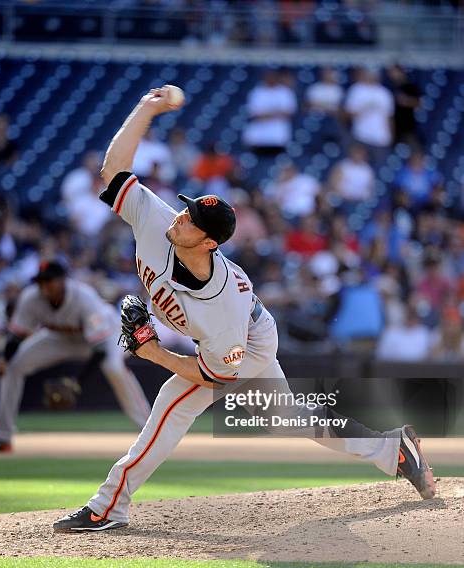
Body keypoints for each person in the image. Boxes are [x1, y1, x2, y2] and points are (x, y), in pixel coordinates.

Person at [53, 85, 436, 533]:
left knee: (173, 403)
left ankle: (108, 505)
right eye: (186, 210)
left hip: (245, 341)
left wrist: (153, 352)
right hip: (231, 337)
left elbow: (216, 375)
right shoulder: (159, 220)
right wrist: (146, 108)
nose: (180, 218)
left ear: (210, 242)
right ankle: (395, 451)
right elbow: (113, 170)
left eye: (192, 221)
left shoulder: (221, 304)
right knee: (287, 422)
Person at [0, 260, 152, 452]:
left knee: (113, 367)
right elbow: (16, 336)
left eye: (50, 280)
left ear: (63, 280)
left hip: (108, 336)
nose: (45, 286)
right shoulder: (31, 298)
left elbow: (100, 351)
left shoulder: (84, 297)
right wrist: (5, 359)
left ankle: (150, 431)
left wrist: (77, 382)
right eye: (41, 281)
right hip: (61, 338)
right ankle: (1, 436)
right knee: (13, 366)